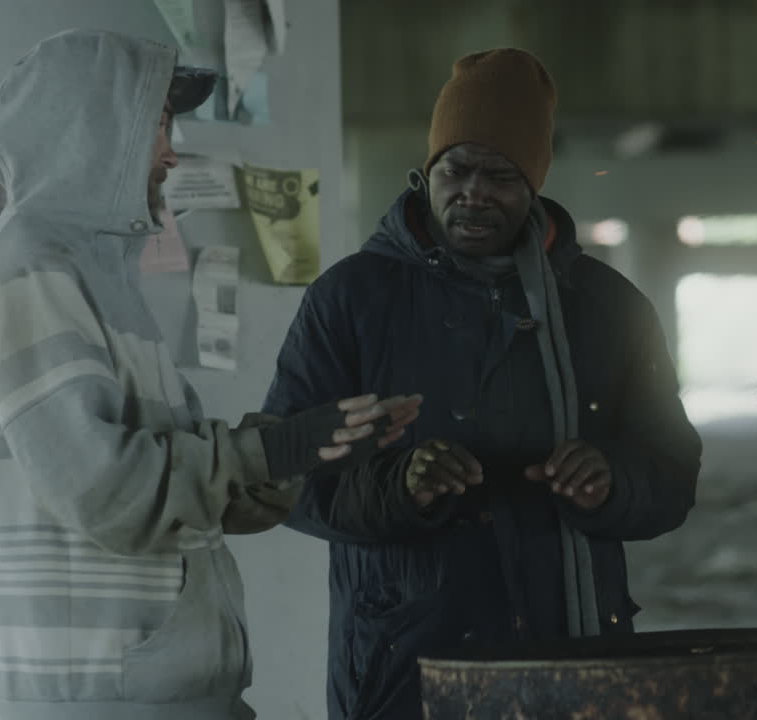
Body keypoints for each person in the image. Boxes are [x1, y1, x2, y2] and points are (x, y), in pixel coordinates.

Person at [0, 30, 417, 720]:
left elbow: (174, 494)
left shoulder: (95, 271)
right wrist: (270, 449)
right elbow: (109, 493)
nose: (170, 152)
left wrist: (308, 445)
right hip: (101, 699)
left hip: (151, 693)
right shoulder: (30, 261)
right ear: (92, 123)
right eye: (157, 122)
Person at [263, 47, 702, 719]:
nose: (472, 191)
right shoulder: (351, 298)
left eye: (499, 175)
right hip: (405, 663)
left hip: (572, 650)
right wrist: (397, 485)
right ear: (427, 171)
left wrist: (611, 480)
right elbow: (283, 475)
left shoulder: (608, 307)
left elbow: (671, 472)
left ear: (533, 185)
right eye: (456, 169)